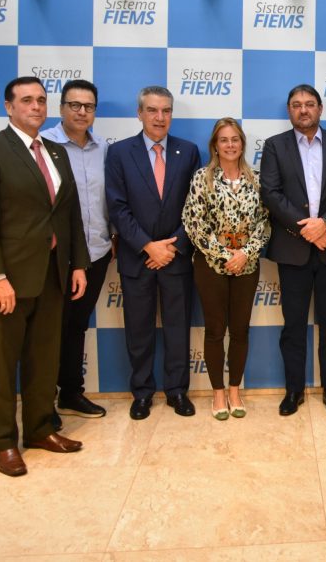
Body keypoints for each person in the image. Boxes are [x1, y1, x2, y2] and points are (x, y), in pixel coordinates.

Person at [0, 76, 90, 477]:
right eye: (27, 100)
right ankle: (4, 443)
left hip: (52, 276)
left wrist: (80, 263)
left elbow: (68, 215)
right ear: (8, 106)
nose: (36, 106)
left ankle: (38, 429)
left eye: (41, 100)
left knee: (43, 361)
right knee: (2, 366)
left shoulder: (55, 151)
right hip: (6, 282)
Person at [106, 86, 201, 420]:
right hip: (138, 258)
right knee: (139, 330)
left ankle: (177, 391)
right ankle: (142, 393)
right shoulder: (119, 153)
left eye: (166, 111)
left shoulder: (188, 152)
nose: (160, 117)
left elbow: (195, 207)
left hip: (175, 258)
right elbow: (117, 208)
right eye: (152, 110)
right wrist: (148, 245)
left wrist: (170, 246)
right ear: (140, 113)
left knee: (178, 329)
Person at [260, 85, 326, 416]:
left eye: (309, 104)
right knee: (293, 326)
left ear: (320, 109)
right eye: (296, 105)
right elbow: (271, 194)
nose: (303, 110)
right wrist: (309, 230)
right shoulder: (274, 146)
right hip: (293, 250)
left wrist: (325, 225)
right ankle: (294, 390)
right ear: (289, 111)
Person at [183, 118, 268, 420]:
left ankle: (235, 390)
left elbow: (265, 223)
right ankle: (218, 393)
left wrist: (244, 254)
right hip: (210, 267)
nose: (230, 145)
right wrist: (224, 255)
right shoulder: (201, 178)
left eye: (235, 139)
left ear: (242, 144)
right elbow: (194, 225)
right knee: (216, 330)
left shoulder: (257, 179)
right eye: (224, 140)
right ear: (215, 145)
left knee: (241, 330)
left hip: (248, 266)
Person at [40, 79, 112, 424]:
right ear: (61, 108)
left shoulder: (103, 149)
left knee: (76, 326)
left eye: (89, 106)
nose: (82, 112)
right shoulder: (43, 146)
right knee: (49, 327)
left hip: (96, 252)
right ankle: (43, 403)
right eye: (75, 105)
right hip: (54, 256)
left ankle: (70, 392)